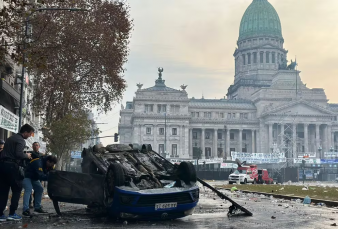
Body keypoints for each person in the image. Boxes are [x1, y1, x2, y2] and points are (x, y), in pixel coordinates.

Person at [0, 124, 33, 221]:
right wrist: (27, 156)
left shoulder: (10, 138)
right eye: (30, 134)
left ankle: (1, 214)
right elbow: (18, 154)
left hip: (2, 166)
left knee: (3, 191)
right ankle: (12, 213)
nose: (30, 136)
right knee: (17, 190)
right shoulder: (21, 140)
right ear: (25, 132)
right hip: (12, 167)